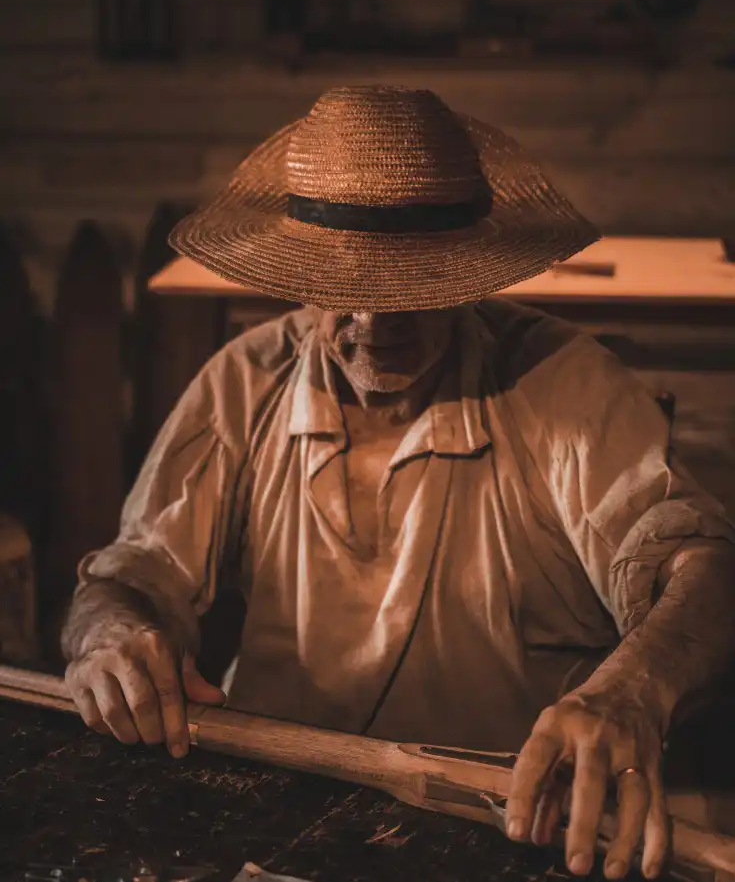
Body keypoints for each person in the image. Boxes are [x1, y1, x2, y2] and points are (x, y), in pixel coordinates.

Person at [62, 86, 735, 880]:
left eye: (412, 289)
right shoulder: (245, 381)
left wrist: (632, 690)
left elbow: (704, 568)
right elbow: (128, 578)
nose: (375, 326)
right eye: (347, 289)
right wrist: (111, 636)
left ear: (470, 273)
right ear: (297, 273)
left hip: (510, 828)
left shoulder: (559, 384)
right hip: (271, 822)